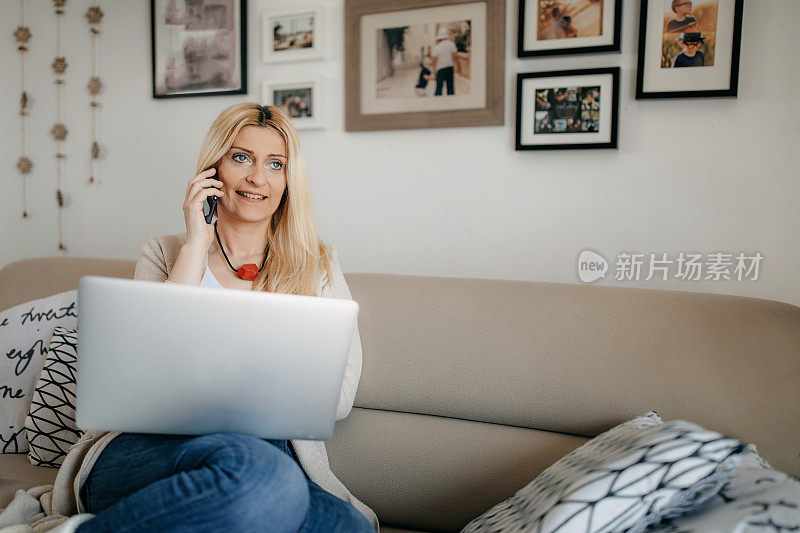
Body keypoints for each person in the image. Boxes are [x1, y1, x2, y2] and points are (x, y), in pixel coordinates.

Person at [63, 103, 379, 532]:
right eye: (241, 157)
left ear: (288, 181)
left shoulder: (319, 265)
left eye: (275, 164)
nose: (257, 177)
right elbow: (144, 369)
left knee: (349, 527)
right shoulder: (162, 252)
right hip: (150, 450)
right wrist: (196, 241)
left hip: (275, 457)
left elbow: (339, 395)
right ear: (214, 169)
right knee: (254, 472)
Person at [432, 27, 458, 96]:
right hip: (449, 68)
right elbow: (455, 57)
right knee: (450, 89)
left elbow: (435, 60)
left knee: (438, 89)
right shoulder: (452, 44)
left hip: (440, 70)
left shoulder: (437, 47)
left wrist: (434, 71)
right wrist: (458, 67)